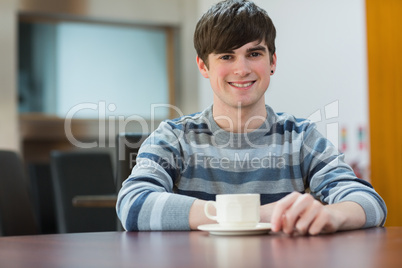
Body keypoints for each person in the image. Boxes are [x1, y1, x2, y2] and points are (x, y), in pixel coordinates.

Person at [116, 0, 386, 235]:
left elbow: (369, 202)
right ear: (203, 66)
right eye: (226, 56)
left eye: (254, 54)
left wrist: (331, 214)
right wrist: (252, 216)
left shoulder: (300, 136)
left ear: (272, 62)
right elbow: (133, 204)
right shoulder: (173, 137)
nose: (241, 69)